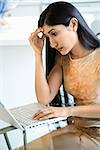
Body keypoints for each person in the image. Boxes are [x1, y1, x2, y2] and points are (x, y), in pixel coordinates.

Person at [29, 1, 100, 149]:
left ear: (73, 25)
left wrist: (67, 111)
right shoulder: (63, 60)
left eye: (54, 33)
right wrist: (37, 53)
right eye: (48, 37)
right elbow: (44, 97)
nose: (52, 44)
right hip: (76, 129)